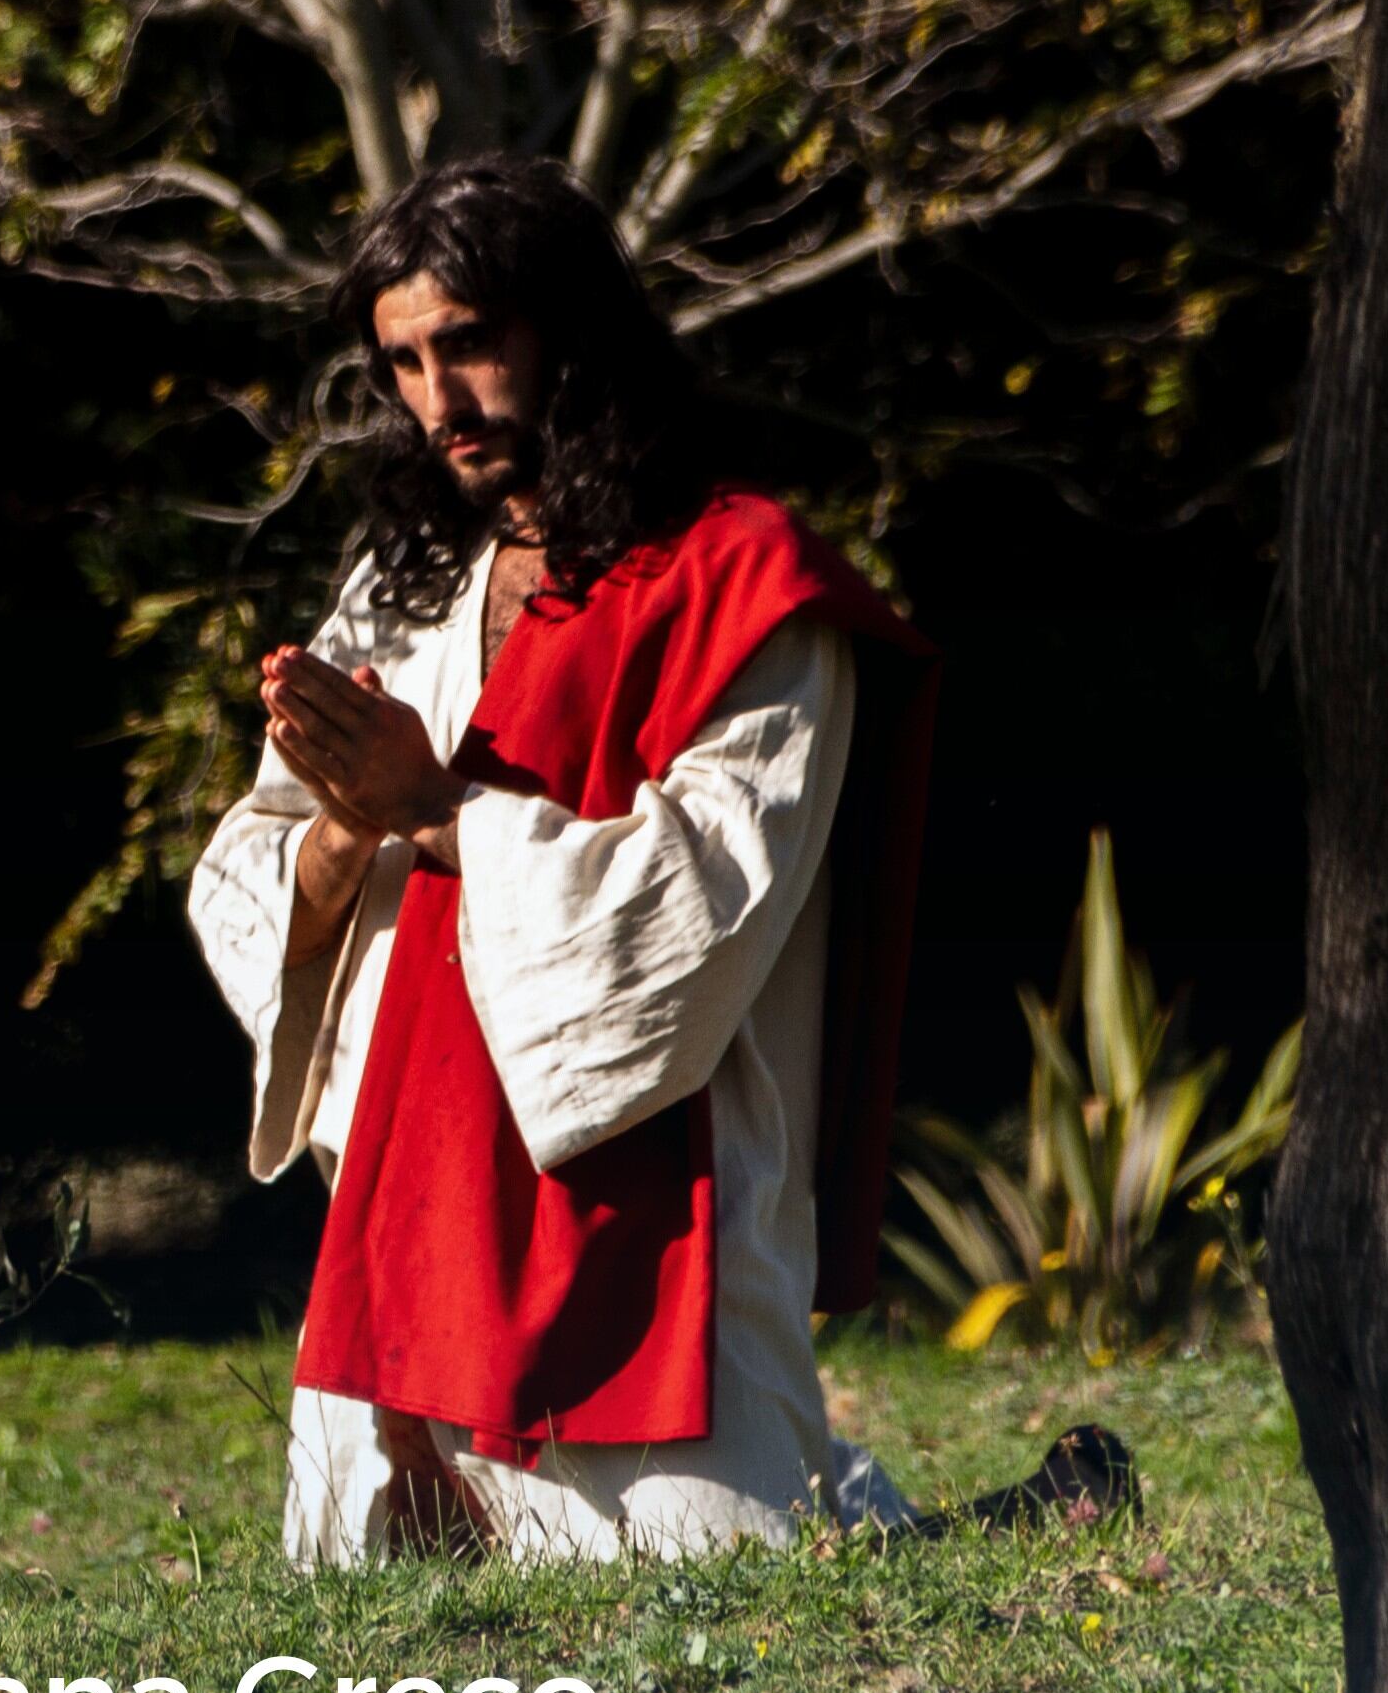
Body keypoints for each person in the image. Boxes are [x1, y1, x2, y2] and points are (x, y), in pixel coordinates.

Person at [186, 156, 967, 1567]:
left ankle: (907, 1514)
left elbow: (698, 902)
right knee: (362, 1551)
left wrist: (436, 812)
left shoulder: (753, 585)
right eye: (406, 361)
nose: (442, 400)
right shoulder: (404, 586)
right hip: (411, 1192)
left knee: (716, 1555)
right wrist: (349, 826)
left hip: (651, 1207)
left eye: (472, 343)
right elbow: (254, 863)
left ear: (570, 329)